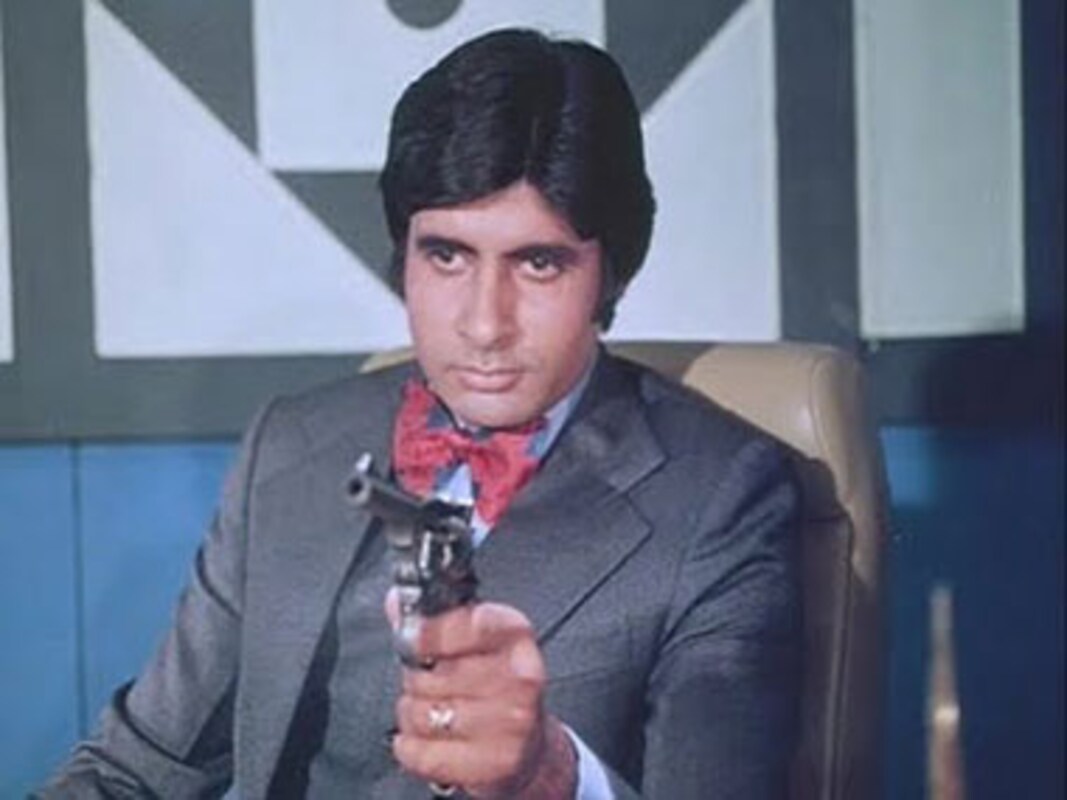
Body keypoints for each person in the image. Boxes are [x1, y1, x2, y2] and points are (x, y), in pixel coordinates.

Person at [39, 28, 800, 799]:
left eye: (539, 263)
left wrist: (550, 774)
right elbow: (132, 770)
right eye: (446, 256)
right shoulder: (291, 442)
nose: (484, 324)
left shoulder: (720, 497)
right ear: (402, 253)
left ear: (613, 272)